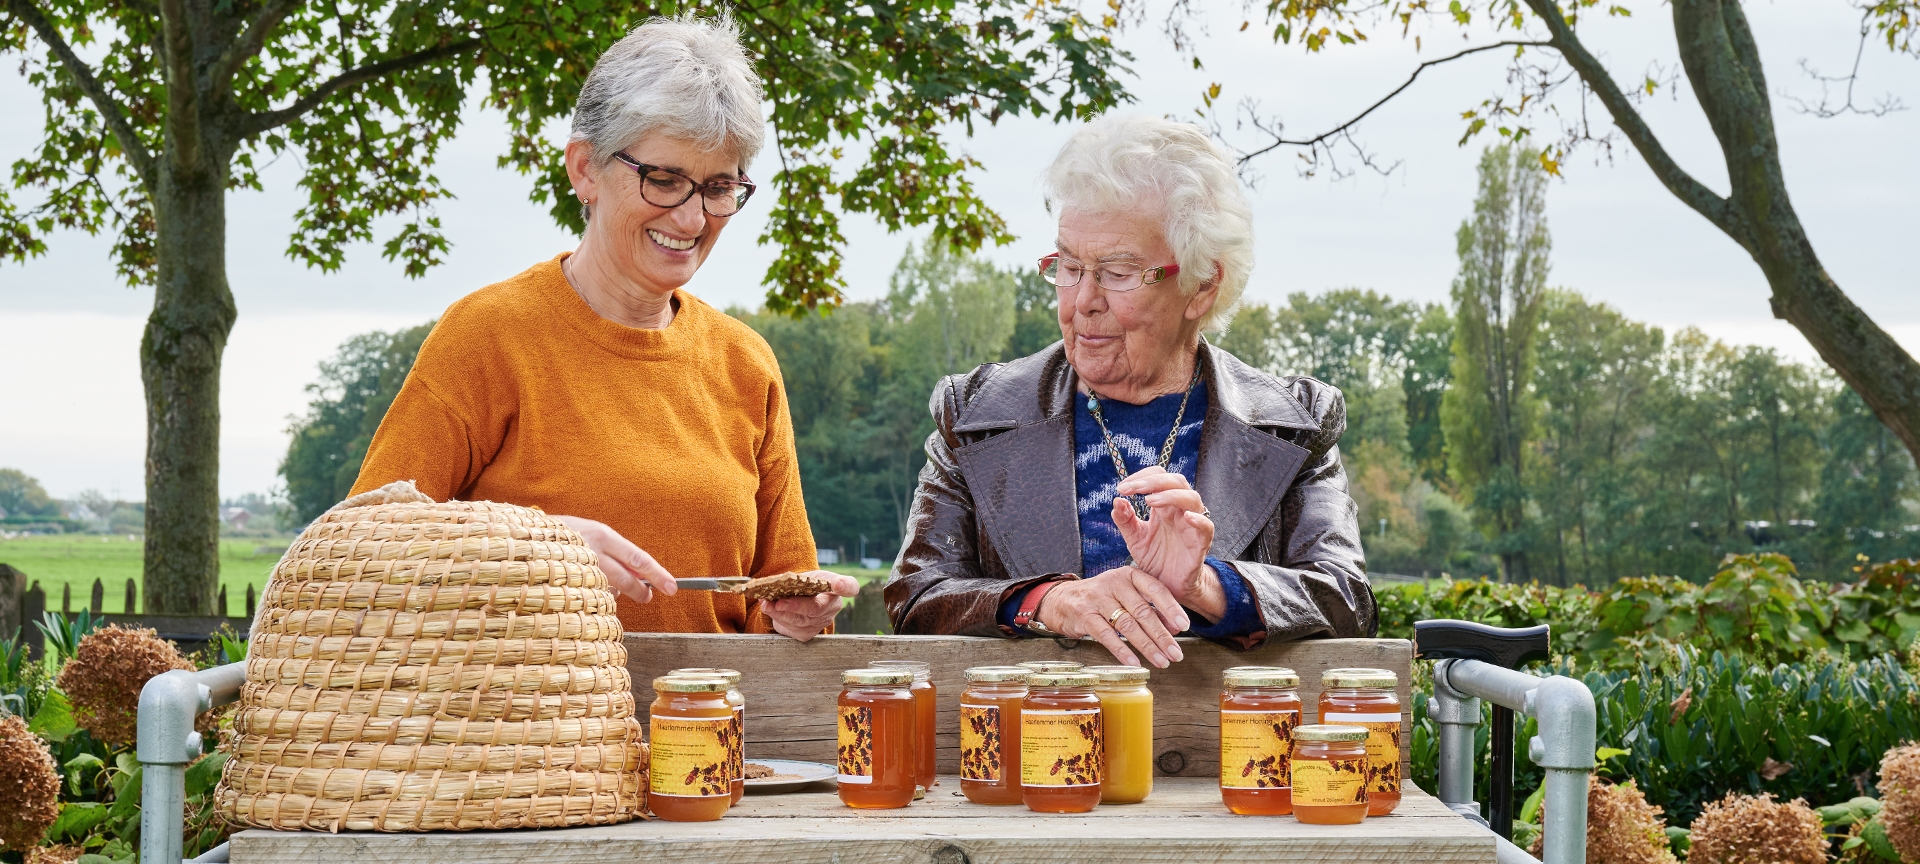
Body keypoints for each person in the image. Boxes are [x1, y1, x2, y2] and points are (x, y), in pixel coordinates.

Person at [349, 15, 853, 640]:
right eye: (664, 180)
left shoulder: (746, 363)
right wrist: (535, 548)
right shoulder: (487, 336)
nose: (693, 219)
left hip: (712, 705)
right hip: (522, 704)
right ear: (585, 169)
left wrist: (796, 618)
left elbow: (779, 595)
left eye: (719, 187)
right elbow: (361, 547)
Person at [884, 114, 1376, 667]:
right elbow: (917, 596)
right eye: (1069, 266)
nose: (1082, 301)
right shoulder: (976, 414)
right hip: (1032, 721)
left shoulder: (1295, 425)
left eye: (1117, 273)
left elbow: (1346, 600)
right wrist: (1050, 602)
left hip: (1220, 723)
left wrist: (1206, 587)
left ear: (1201, 285)